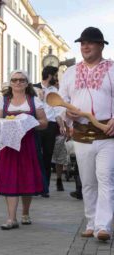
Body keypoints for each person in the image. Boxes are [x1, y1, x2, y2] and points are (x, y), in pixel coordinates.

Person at [59, 27, 114, 241]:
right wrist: (66, 112)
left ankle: (104, 226)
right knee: (88, 181)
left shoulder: (111, 69)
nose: (86, 46)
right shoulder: (71, 72)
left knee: (106, 178)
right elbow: (60, 99)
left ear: (101, 45)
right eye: (82, 43)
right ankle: (91, 222)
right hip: (81, 133)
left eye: (90, 42)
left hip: (106, 133)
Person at [0, 70, 48, 230]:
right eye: (15, 80)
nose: (18, 83)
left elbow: (44, 122)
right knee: (10, 178)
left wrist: (29, 122)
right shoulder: (1, 101)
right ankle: (11, 218)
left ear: (27, 83)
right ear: (10, 83)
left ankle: (25, 212)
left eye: (22, 80)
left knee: (27, 177)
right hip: (8, 145)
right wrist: (8, 123)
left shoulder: (34, 101)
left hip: (28, 144)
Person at [34, 66, 66, 197]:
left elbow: (57, 110)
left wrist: (62, 125)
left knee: (47, 156)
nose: (56, 78)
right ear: (49, 76)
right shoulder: (34, 88)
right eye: (55, 75)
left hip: (51, 126)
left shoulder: (55, 91)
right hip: (37, 124)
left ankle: (45, 187)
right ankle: (34, 185)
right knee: (35, 156)